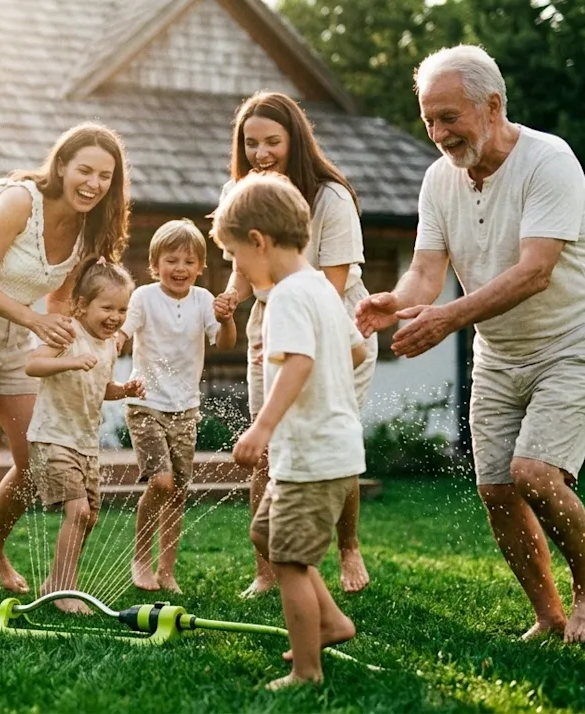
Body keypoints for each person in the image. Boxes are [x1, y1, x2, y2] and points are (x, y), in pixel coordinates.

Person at [355, 45, 585, 643]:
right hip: (501, 351)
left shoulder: (548, 161)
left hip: (575, 339)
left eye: (449, 117)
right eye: (429, 121)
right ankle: (549, 615)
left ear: (492, 104)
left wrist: (447, 318)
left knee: (534, 473)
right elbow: (425, 274)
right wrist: (393, 301)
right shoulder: (437, 180)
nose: (438, 133)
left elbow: (535, 271)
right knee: (496, 488)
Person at [0, 123, 131, 612]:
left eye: (105, 175)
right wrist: (36, 319)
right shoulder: (20, 201)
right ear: (61, 166)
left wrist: (72, 335)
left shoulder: (90, 227)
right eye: (84, 170)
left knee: (33, 461)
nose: (93, 183)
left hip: (18, 336)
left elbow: (60, 297)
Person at [213, 91, 377, 597]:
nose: (261, 153)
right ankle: (269, 568)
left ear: (295, 141)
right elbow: (245, 265)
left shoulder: (329, 196)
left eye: (272, 142)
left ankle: (347, 547)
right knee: (269, 449)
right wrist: (231, 297)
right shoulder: (238, 192)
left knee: (330, 445)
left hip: (329, 315)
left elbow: (328, 283)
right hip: (273, 323)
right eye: (251, 143)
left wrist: (295, 337)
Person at [219, 173, 369, 690]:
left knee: (288, 559)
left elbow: (300, 362)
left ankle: (307, 672)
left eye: (236, 256)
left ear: (258, 241)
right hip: (330, 448)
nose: (237, 269)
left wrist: (260, 428)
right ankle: (330, 622)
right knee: (266, 533)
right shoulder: (324, 290)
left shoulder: (284, 296)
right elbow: (355, 350)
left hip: (310, 454)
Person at [117, 219, 237, 594]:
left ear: (200, 267)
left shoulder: (204, 300)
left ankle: (166, 570)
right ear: (155, 265)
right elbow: (121, 333)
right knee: (161, 481)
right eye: (171, 260)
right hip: (146, 403)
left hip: (185, 408)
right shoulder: (143, 298)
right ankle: (140, 558)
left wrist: (227, 318)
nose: (180, 268)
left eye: (189, 261)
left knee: (178, 491)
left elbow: (226, 344)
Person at [25, 257, 145, 614]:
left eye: (122, 309)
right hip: (53, 438)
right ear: (81, 305)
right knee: (77, 512)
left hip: (85, 444)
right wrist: (69, 361)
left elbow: (102, 386)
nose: (115, 317)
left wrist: (123, 390)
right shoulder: (68, 332)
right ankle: (64, 590)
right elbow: (33, 365)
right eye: (107, 307)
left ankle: (54, 581)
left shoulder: (109, 344)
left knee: (89, 516)